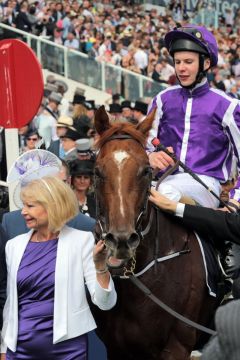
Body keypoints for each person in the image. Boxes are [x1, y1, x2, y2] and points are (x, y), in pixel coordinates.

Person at [0, 176, 116, 359]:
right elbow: (11, 303)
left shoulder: (81, 241)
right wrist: (4, 347)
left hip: (67, 349)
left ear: (52, 206)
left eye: (30, 206)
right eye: (23, 205)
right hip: (20, 348)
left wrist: (100, 266)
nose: (22, 212)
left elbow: (105, 303)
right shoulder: (13, 246)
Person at [147, 25, 240, 209]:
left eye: (188, 62)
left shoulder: (228, 106)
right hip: (161, 180)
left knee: (165, 190)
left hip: (207, 185)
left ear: (205, 64)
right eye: (178, 62)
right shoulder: (162, 99)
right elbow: (144, 146)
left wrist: (236, 201)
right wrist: (150, 157)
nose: (181, 68)